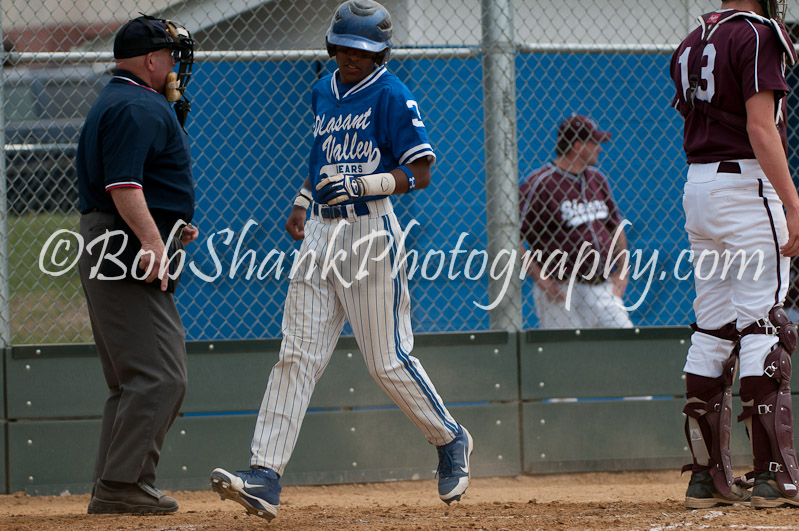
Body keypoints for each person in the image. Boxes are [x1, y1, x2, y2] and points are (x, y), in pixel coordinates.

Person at [209, 0, 472, 521]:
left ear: (381, 54)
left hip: (370, 230)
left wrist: (360, 182)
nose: (352, 57)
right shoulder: (320, 90)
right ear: (331, 45)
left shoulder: (393, 94)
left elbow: (418, 172)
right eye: (345, 47)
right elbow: (321, 159)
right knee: (296, 355)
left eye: (364, 51)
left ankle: (449, 438)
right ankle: (264, 474)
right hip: (321, 235)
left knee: (386, 360)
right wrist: (303, 201)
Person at [670, 0, 799, 510]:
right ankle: (773, 476)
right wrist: (792, 199)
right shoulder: (757, 32)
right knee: (764, 324)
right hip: (748, 187)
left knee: (713, 325)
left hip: (698, 187)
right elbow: (761, 126)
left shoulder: (692, 38)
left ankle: (705, 477)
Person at [76, 14, 198, 514]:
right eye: (170, 58)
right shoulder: (137, 105)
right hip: (122, 242)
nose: (175, 68)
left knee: (131, 381)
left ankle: (113, 485)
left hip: (115, 237)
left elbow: (133, 184)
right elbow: (124, 186)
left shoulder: (122, 98)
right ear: (151, 60)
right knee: (161, 376)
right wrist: (152, 240)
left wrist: (169, 227)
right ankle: (123, 485)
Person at [518, 113, 633, 329]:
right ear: (578, 146)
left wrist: (623, 271)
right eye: (595, 142)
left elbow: (615, 226)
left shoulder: (597, 179)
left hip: (602, 288)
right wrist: (541, 279)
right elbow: (510, 237)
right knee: (567, 357)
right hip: (561, 290)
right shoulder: (540, 184)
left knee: (627, 344)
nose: (600, 147)